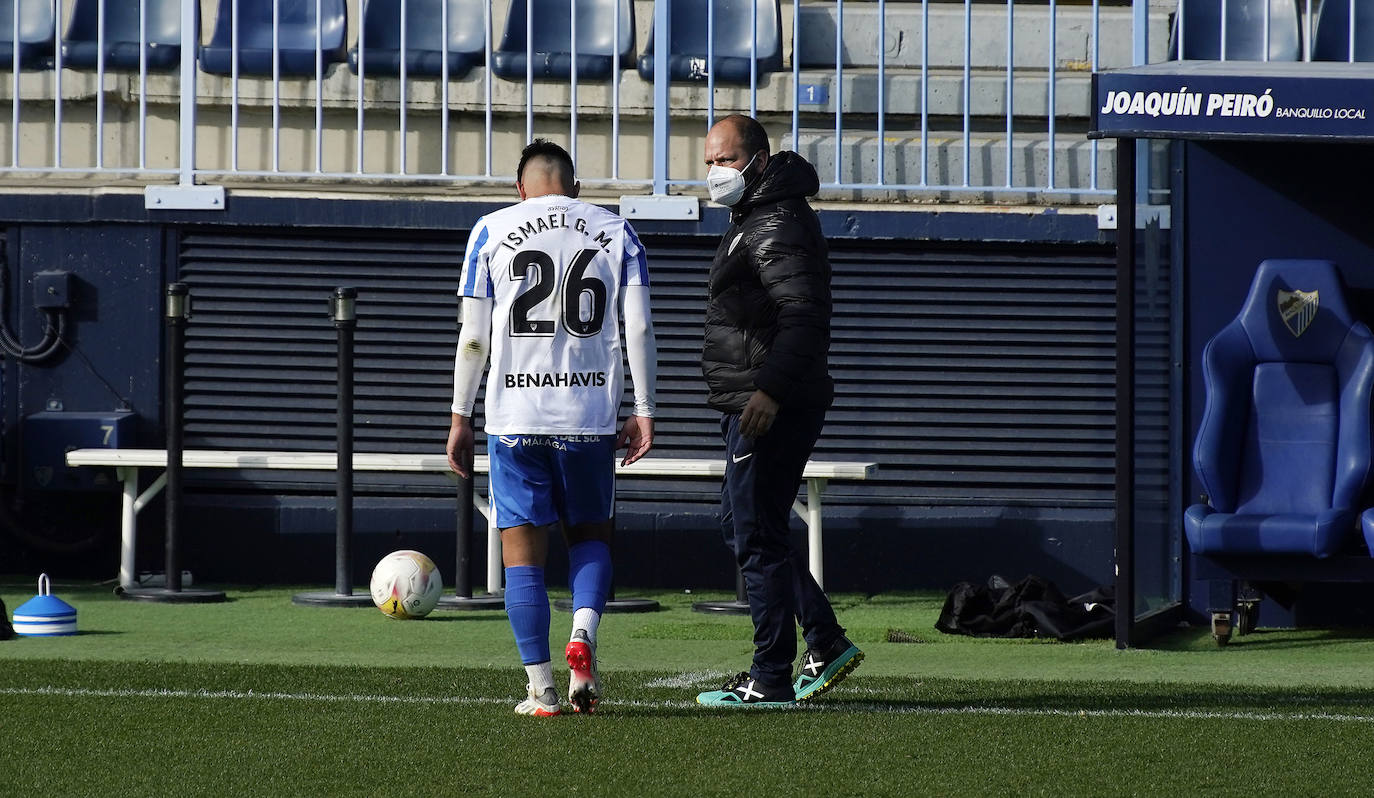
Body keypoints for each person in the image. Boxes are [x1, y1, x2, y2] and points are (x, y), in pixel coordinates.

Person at [446, 139, 656, 717]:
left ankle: (540, 687)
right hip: (589, 416)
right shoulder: (615, 231)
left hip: (515, 416)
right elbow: (636, 330)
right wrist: (645, 409)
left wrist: (461, 415)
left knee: (522, 554)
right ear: (577, 187)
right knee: (590, 536)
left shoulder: (490, 230)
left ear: (520, 189)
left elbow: (473, 338)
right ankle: (583, 635)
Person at [694, 114, 862, 708]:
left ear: (759, 161)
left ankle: (770, 676)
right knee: (744, 526)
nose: (715, 171)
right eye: (710, 160)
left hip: (767, 404)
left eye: (726, 160)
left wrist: (766, 391)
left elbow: (804, 316)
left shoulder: (775, 223)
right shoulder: (762, 215)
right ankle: (824, 638)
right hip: (760, 398)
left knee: (756, 536)